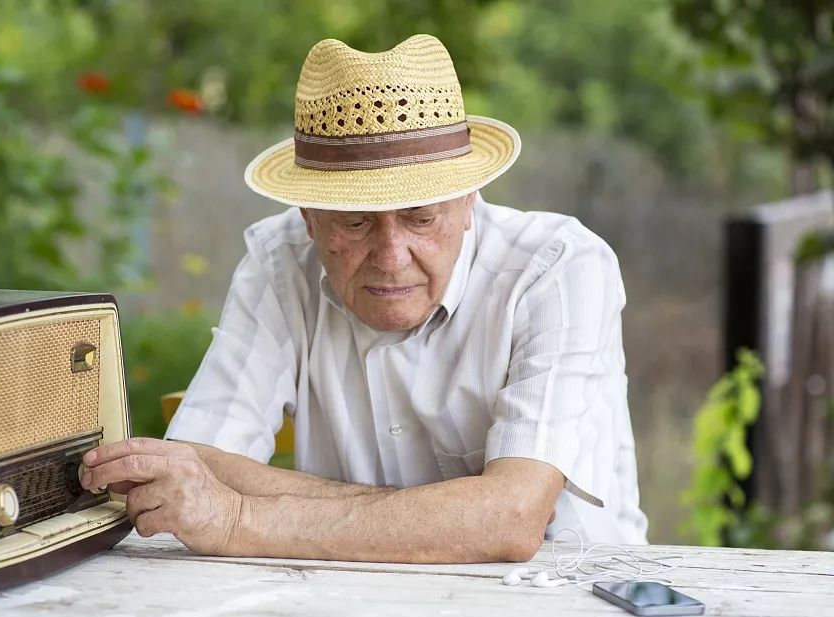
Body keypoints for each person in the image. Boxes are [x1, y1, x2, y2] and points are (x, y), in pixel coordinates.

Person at [80, 34, 649, 563]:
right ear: (307, 215)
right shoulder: (278, 261)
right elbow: (194, 466)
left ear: (470, 198)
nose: (391, 255)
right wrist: (440, 516)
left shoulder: (558, 267)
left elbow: (512, 519)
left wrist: (241, 517)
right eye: (354, 221)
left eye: (421, 217)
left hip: (568, 602)